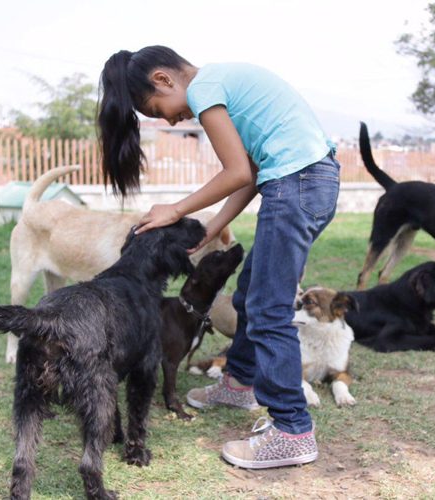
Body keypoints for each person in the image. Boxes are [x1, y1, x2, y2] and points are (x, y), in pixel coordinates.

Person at [97, 45, 340, 470]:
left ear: (164, 80)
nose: (172, 120)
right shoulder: (223, 80)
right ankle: (239, 384)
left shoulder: (206, 87)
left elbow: (237, 173)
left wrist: (177, 210)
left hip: (296, 185)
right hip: (302, 181)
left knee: (268, 309)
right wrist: (212, 226)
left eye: (162, 111)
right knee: (251, 295)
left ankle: (292, 431)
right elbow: (250, 169)